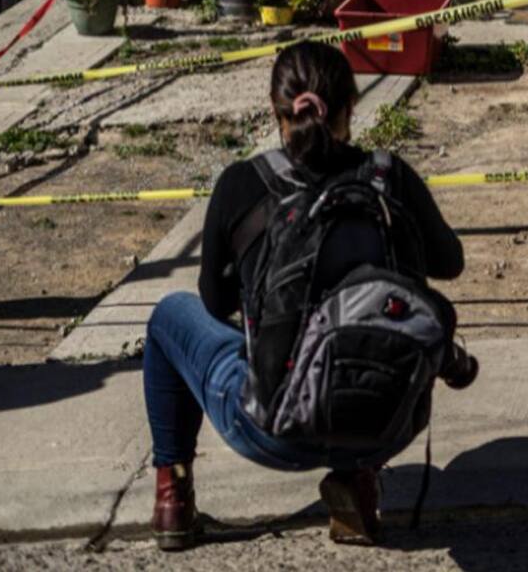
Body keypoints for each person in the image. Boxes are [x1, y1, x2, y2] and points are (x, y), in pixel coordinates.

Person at [142, 41, 472, 551]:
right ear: (351, 108)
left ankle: (173, 497)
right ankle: (358, 485)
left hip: (271, 431)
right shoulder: (390, 177)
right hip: (388, 425)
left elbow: (214, 302)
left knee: (170, 317)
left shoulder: (241, 184)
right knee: (366, 331)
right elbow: (450, 262)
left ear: (277, 111)